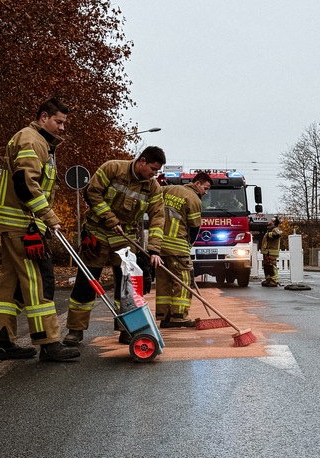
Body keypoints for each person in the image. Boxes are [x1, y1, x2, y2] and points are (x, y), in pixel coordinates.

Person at [0, 98, 80, 362]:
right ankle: (49, 343)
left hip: (15, 224)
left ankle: (2, 342)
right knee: (39, 280)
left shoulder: (37, 142)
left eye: (63, 123)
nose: (62, 128)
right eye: (58, 122)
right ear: (43, 118)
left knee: (11, 285)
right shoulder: (31, 141)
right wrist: (50, 217)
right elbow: (26, 184)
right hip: (22, 226)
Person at [63, 146, 166, 345]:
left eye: (157, 171)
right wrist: (111, 220)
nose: (154, 174)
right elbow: (92, 193)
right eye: (153, 169)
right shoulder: (112, 168)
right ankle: (75, 330)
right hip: (97, 235)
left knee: (126, 289)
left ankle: (126, 329)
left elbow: (158, 218)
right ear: (142, 161)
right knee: (86, 283)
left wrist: (154, 250)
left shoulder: (153, 188)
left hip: (124, 240)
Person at [156, 171, 212, 327]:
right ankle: (179, 317)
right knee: (184, 281)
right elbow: (194, 227)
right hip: (178, 246)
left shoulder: (168, 190)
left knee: (163, 281)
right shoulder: (193, 199)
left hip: (159, 245)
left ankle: (164, 316)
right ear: (197, 184)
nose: (205, 192)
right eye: (205, 188)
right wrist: (190, 245)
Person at [261, 216, 283, 287]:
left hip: (272, 252)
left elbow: (276, 235)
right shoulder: (269, 230)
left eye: (271, 221)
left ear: (274, 223)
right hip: (267, 252)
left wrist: (268, 235)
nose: (269, 222)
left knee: (272, 266)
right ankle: (268, 279)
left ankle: (274, 280)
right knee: (266, 266)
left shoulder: (275, 229)